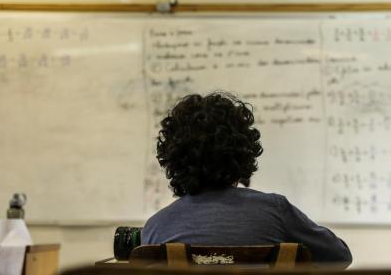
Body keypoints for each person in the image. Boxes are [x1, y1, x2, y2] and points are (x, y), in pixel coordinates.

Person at [142, 91, 352, 267]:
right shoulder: (275, 211)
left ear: (173, 158)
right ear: (243, 151)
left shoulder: (156, 228)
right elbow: (339, 257)